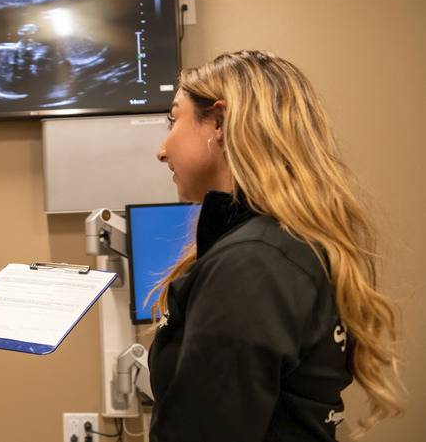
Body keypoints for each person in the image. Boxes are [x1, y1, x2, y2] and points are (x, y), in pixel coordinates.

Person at [148, 50, 404, 441]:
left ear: (217, 121)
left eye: (174, 118)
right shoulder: (285, 246)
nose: (162, 150)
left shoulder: (253, 264)